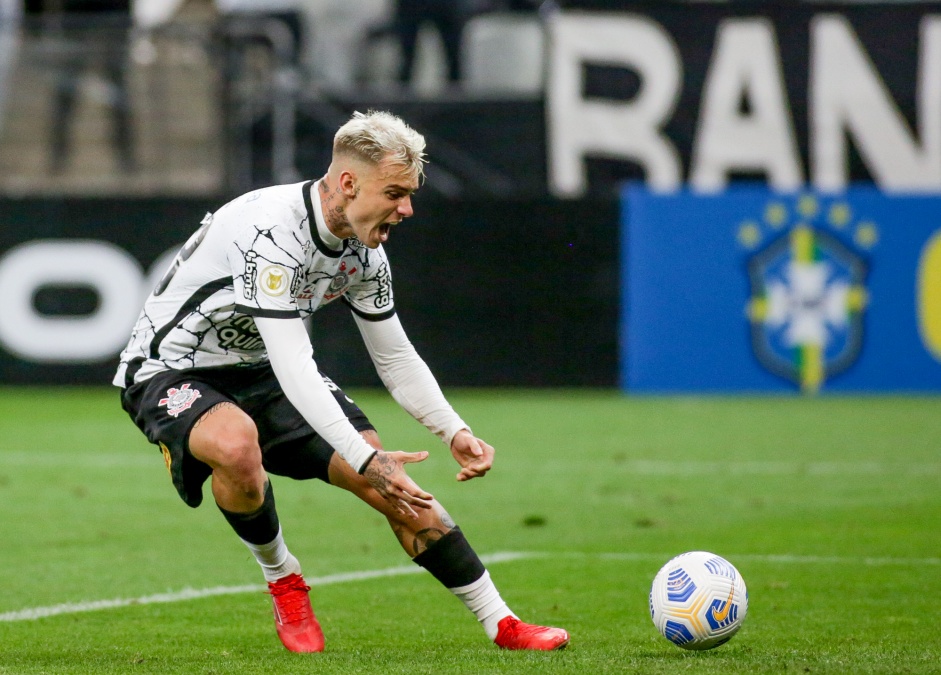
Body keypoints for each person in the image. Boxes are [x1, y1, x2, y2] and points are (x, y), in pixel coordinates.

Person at [114, 109, 570, 653]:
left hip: (262, 369)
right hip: (172, 367)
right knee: (237, 445)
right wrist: (361, 459)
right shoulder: (271, 231)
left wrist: (452, 430)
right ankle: (284, 576)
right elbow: (294, 363)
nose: (407, 209)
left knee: (395, 485)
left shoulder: (365, 250)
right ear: (348, 183)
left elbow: (395, 356)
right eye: (396, 193)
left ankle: (503, 623)